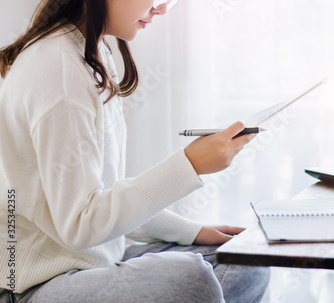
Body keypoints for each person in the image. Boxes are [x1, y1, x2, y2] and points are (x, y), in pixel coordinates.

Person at [0, 0, 270, 302]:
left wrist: (191, 231)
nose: (163, 9)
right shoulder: (58, 70)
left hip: (91, 265)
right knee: (192, 282)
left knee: (248, 263)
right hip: (34, 288)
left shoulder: (90, 51)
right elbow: (80, 223)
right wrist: (189, 165)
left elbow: (102, 194)